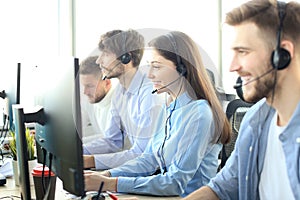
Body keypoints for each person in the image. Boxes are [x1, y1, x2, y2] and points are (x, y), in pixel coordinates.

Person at [84, 31, 231, 197]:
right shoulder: (168, 107)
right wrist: (106, 176)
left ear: (181, 69)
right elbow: (149, 159)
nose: (149, 74)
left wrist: (111, 184)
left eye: (157, 66)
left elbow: (175, 183)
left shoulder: (199, 114)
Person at [183, 0, 300, 199]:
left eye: (243, 52)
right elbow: (222, 187)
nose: (232, 66)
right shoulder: (255, 119)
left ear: (283, 54)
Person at [83, 29, 163, 170]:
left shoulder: (149, 95)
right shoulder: (120, 92)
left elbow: (141, 154)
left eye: (106, 54)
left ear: (126, 58)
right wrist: (76, 152)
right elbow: (113, 141)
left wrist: (89, 161)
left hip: (159, 173)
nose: (98, 61)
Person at [79, 56, 118, 143]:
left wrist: (75, 145)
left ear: (107, 83)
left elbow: (111, 141)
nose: (85, 92)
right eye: (84, 85)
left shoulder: (120, 104)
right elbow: (77, 126)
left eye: (90, 86)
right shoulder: (91, 98)